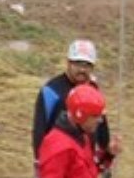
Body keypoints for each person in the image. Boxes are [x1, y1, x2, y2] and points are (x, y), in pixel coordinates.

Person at [31, 39, 114, 167]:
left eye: (87, 65)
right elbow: (39, 129)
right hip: (56, 162)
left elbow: (101, 125)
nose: (82, 69)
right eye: (78, 64)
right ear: (68, 63)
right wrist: (39, 161)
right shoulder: (51, 91)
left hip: (84, 163)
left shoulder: (93, 90)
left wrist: (106, 153)